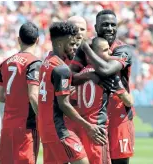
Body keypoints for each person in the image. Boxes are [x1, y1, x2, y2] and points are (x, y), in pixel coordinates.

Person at [70, 9, 135, 164]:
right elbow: (70, 78)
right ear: (96, 27)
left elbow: (107, 70)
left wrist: (87, 50)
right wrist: (88, 76)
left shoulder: (123, 49)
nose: (110, 28)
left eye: (113, 25)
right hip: (94, 118)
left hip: (118, 115)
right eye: (105, 25)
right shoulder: (85, 49)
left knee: (119, 161)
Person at [38, 21, 106, 164]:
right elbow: (64, 104)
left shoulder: (46, 62)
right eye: (72, 44)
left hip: (45, 128)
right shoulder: (61, 68)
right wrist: (89, 127)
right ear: (61, 42)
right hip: (59, 129)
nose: (75, 48)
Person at [0, 22, 41, 164]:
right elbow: (33, 95)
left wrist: (15, 97)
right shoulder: (34, 63)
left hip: (8, 125)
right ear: (38, 40)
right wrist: (45, 118)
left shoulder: (5, 63)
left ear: (18, 39)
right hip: (26, 126)